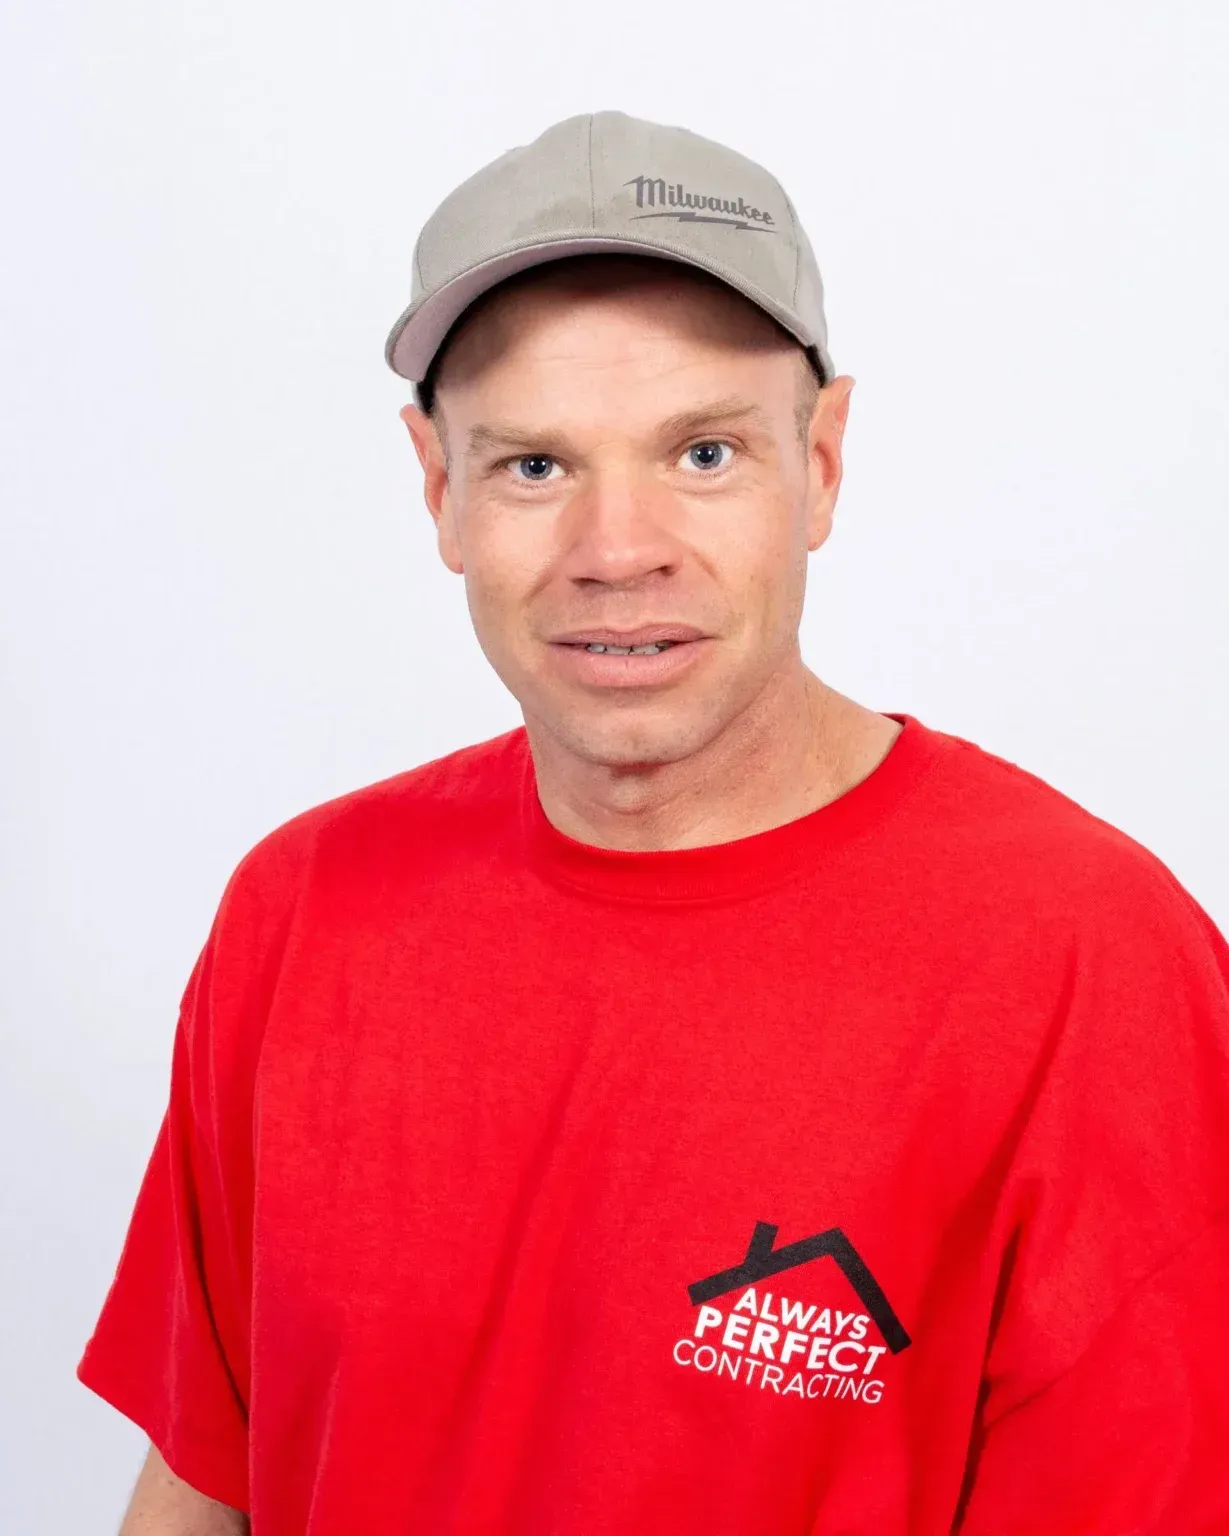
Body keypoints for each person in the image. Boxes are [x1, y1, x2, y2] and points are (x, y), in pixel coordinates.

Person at [77, 111, 1229, 1536]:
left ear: (823, 462)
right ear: (439, 488)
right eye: (535, 466)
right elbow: (208, 1475)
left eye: (703, 452)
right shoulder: (304, 908)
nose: (618, 553)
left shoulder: (1086, 964)